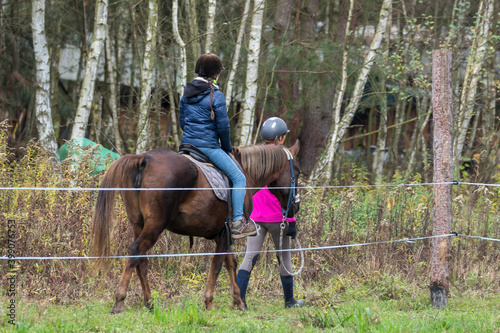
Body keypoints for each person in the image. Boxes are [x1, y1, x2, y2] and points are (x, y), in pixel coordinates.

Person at [179, 53, 257, 239]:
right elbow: (223, 126)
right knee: (238, 178)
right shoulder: (217, 95)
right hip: (208, 147)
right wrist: (227, 147)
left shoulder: (186, 92)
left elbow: (183, 121)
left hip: (187, 146)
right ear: (215, 74)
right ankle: (237, 222)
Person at [237, 117, 305, 308]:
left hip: (256, 217)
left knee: (250, 256)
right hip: (278, 218)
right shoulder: (283, 156)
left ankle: (239, 300)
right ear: (281, 137)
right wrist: (291, 220)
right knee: (284, 258)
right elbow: (287, 191)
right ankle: (289, 301)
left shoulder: (256, 155)